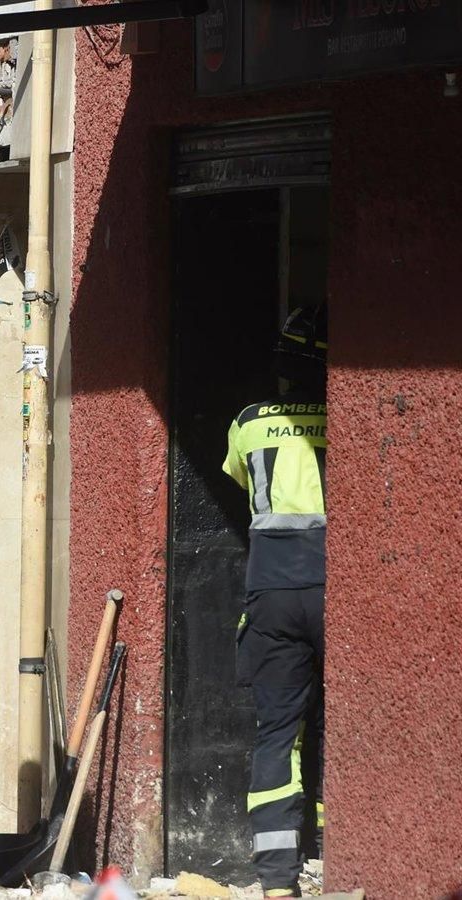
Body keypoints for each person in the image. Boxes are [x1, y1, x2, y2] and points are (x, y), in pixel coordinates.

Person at [222, 307, 328, 900]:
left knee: (277, 730)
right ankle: (336, 853)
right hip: (339, 587)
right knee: (340, 721)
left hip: (272, 591)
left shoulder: (248, 422)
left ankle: (276, 880)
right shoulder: (348, 415)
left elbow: (241, 481)